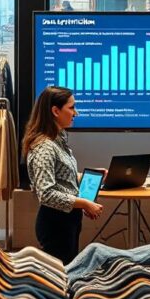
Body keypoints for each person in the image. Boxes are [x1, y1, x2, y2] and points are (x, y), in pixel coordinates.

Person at [23, 86, 103, 263]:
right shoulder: (44, 146)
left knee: (67, 272)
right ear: (55, 111)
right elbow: (47, 194)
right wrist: (84, 203)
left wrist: (90, 175)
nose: (76, 113)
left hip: (67, 221)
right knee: (59, 277)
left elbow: (63, 178)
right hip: (55, 223)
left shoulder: (58, 139)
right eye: (72, 107)